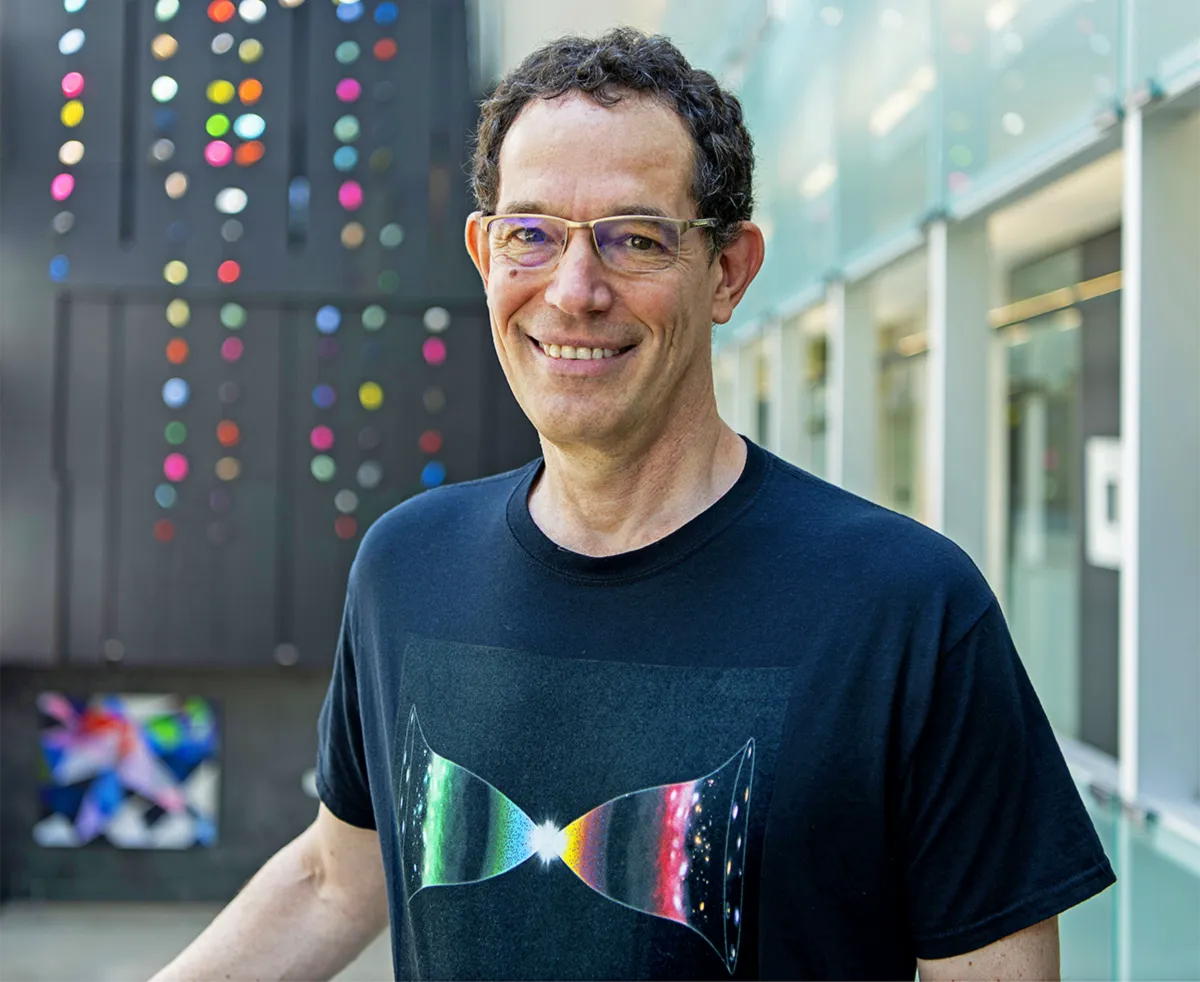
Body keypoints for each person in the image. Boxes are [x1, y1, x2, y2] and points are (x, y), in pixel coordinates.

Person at [151, 28, 1114, 982]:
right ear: (486, 253)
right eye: (532, 233)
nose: (575, 292)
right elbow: (334, 877)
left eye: (635, 238)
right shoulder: (406, 566)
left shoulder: (906, 606)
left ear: (729, 270)